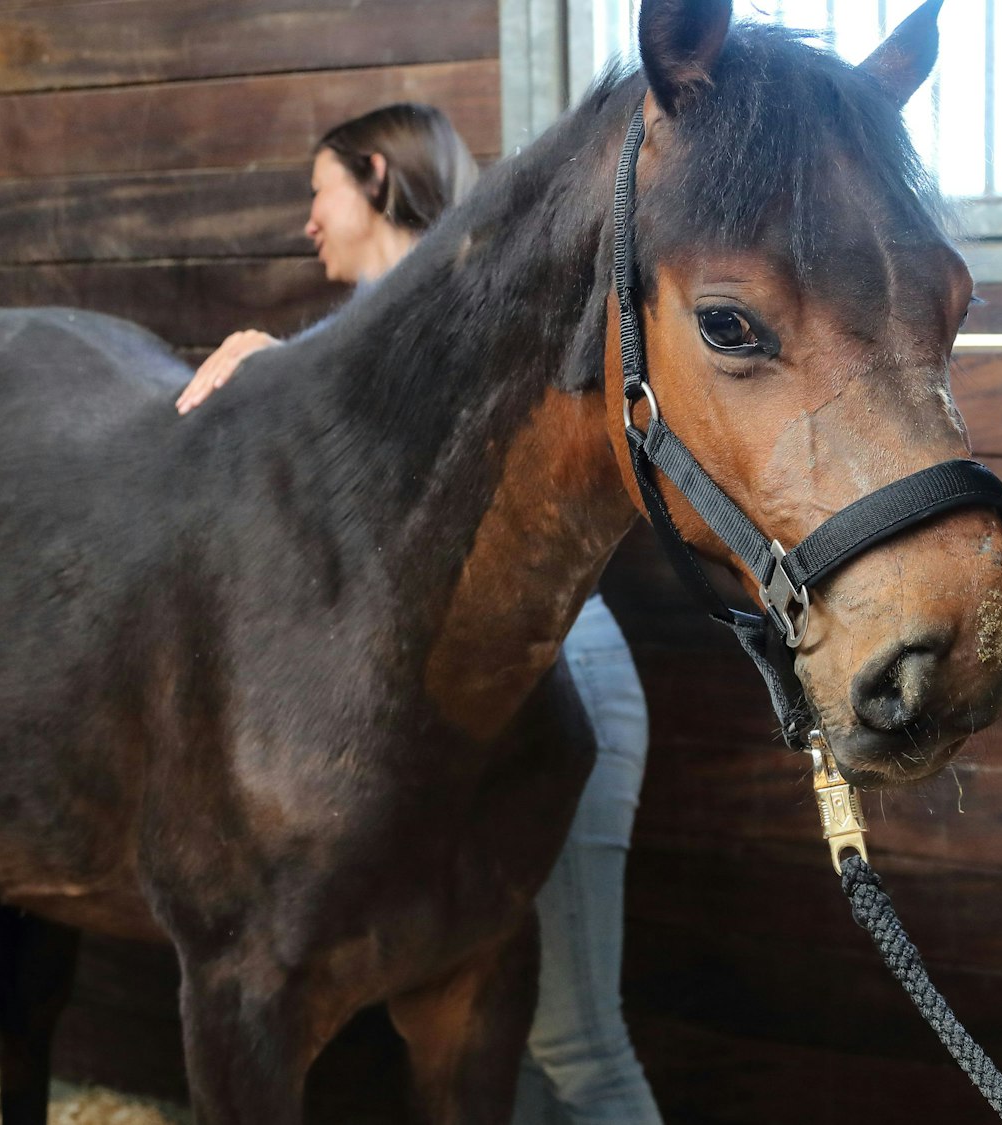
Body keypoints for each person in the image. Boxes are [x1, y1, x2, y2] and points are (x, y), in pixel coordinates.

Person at [177, 103, 663, 1125]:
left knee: (578, 1042)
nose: (306, 221)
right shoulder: (380, 339)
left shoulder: (460, 326)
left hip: (547, 678)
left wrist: (271, 362)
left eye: (318, 192)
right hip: (460, 701)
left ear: (373, 178)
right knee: (503, 1045)